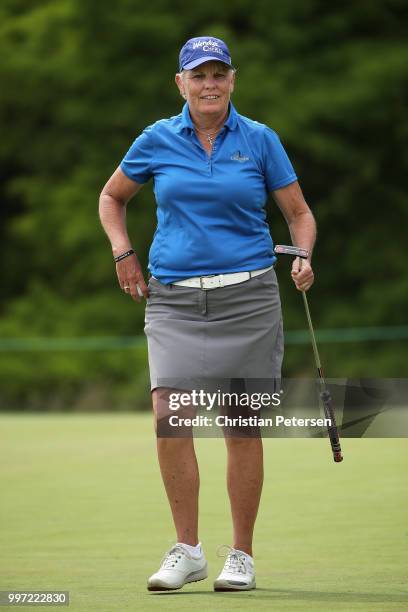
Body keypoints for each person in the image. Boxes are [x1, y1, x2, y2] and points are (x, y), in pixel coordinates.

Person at [99, 36, 315, 592]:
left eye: (219, 74)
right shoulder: (157, 138)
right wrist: (124, 253)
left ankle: (239, 555)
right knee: (170, 419)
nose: (209, 84)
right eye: (198, 76)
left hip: (248, 299)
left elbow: (299, 215)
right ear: (181, 84)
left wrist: (304, 255)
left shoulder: (260, 140)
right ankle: (187, 550)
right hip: (174, 301)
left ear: (233, 80)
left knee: (241, 427)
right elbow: (111, 197)